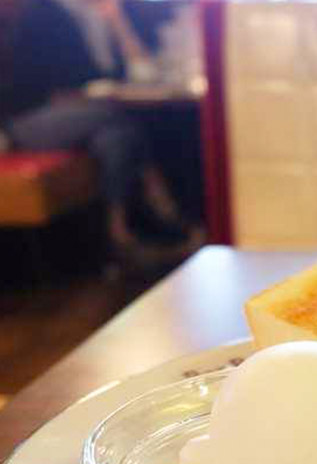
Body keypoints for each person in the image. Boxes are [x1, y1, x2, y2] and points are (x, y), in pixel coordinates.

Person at [0, 0, 194, 269]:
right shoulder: (43, 12)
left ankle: (119, 235)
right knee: (120, 117)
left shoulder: (115, 13)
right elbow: (32, 83)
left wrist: (116, 21)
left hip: (86, 115)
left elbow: (139, 73)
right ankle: (161, 202)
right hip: (26, 121)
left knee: (117, 138)